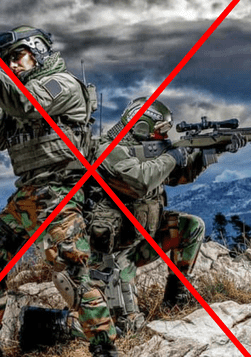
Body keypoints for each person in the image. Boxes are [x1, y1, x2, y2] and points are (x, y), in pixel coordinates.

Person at [0, 26, 120, 357]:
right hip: (29, 194)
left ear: (37, 51)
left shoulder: (60, 83)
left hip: (62, 190)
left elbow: (26, 106)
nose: (12, 66)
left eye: (16, 57)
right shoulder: (16, 91)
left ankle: (103, 348)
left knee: (73, 275)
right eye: (6, 62)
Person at [87, 97, 247, 331]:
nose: (164, 137)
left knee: (192, 226)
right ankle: (49, 324)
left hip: (141, 240)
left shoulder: (152, 153)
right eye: (160, 131)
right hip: (112, 255)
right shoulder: (107, 150)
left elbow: (179, 176)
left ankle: (176, 299)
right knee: (126, 329)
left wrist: (212, 152)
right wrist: (172, 156)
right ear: (141, 125)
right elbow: (141, 180)